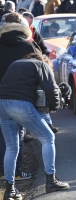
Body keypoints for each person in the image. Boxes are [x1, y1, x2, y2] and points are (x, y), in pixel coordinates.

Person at [0, 53, 70, 200]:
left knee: (11, 147)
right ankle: (51, 180)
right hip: (20, 105)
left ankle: (10, 190)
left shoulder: (16, 63)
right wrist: (54, 106)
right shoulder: (41, 65)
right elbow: (51, 89)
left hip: (2, 104)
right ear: (45, 62)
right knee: (48, 137)